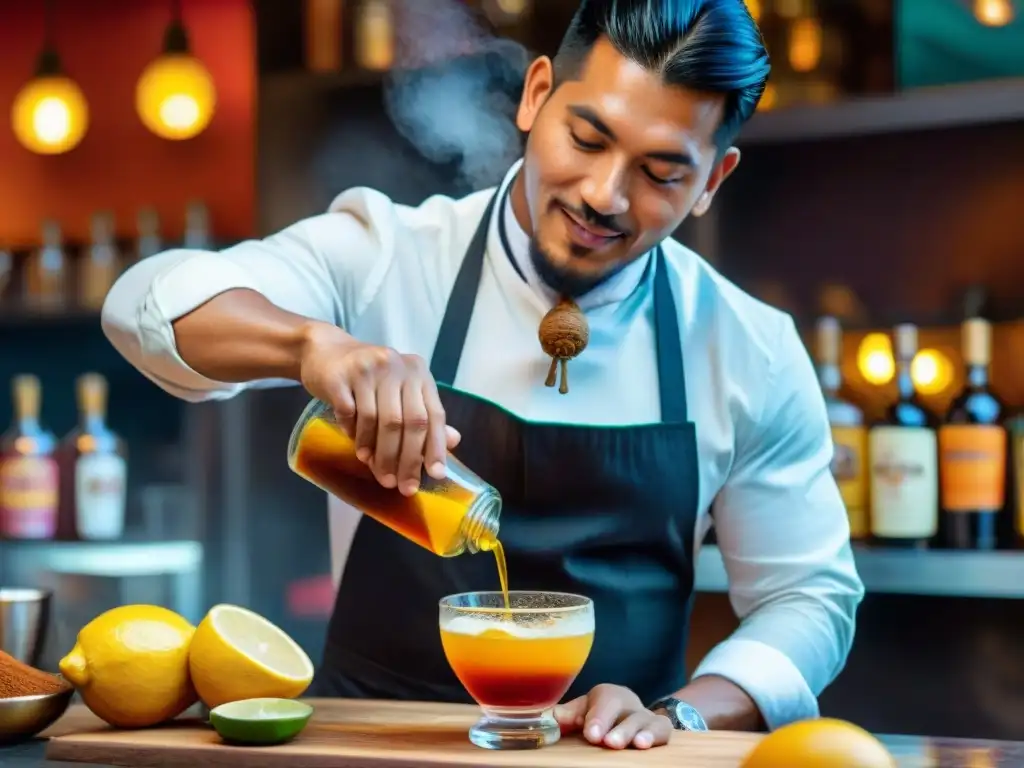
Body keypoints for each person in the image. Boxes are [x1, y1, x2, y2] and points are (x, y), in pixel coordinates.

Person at [102, 0, 864, 750]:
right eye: (587, 138)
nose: (605, 193)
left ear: (712, 182)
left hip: (608, 759)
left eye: (661, 172)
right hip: (370, 748)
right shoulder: (387, 256)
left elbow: (807, 598)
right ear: (537, 96)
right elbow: (146, 306)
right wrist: (312, 346)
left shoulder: (747, 347)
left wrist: (682, 714)